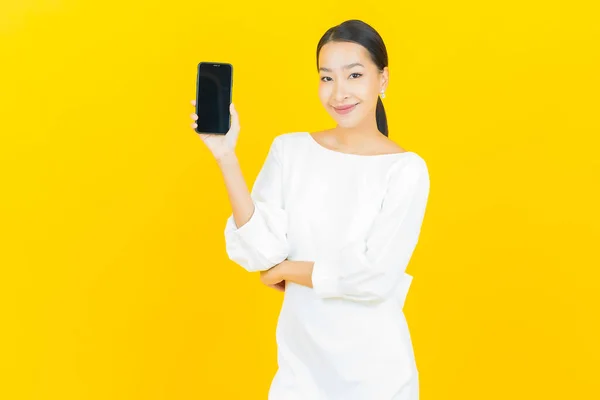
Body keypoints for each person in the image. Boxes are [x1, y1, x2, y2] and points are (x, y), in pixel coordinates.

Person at [190, 19, 430, 400]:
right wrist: (226, 156)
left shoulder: (406, 169)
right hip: (300, 375)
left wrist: (288, 270)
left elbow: (375, 278)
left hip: (376, 377)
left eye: (354, 75)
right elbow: (259, 251)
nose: (339, 93)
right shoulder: (290, 150)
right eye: (326, 77)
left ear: (382, 79)